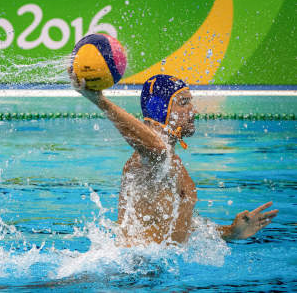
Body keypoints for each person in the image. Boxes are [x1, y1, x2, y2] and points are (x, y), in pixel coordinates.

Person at [69, 70, 279, 246]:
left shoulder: (173, 163)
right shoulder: (151, 160)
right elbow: (154, 147)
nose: (193, 110)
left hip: (153, 271)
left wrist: (231, 231)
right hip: (135, 271)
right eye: (184, 103)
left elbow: (185, 223)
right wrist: (100, 101)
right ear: (161, 109)